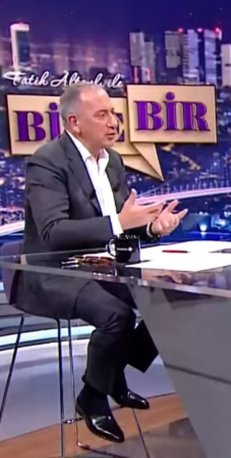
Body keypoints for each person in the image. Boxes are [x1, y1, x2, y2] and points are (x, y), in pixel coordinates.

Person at [19, 82, 187, 443]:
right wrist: (120, 222)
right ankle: (93, 396)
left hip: (103, 265)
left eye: (113, 113)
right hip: (53, 270)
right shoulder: (47, 162)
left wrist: (153, 228)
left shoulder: (113, 161)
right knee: (117, 316)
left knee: (171, 297)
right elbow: (52, 233)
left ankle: (110, 375)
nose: (113, 122)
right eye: (102, 115)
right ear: (74, 123)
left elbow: (123, 225)